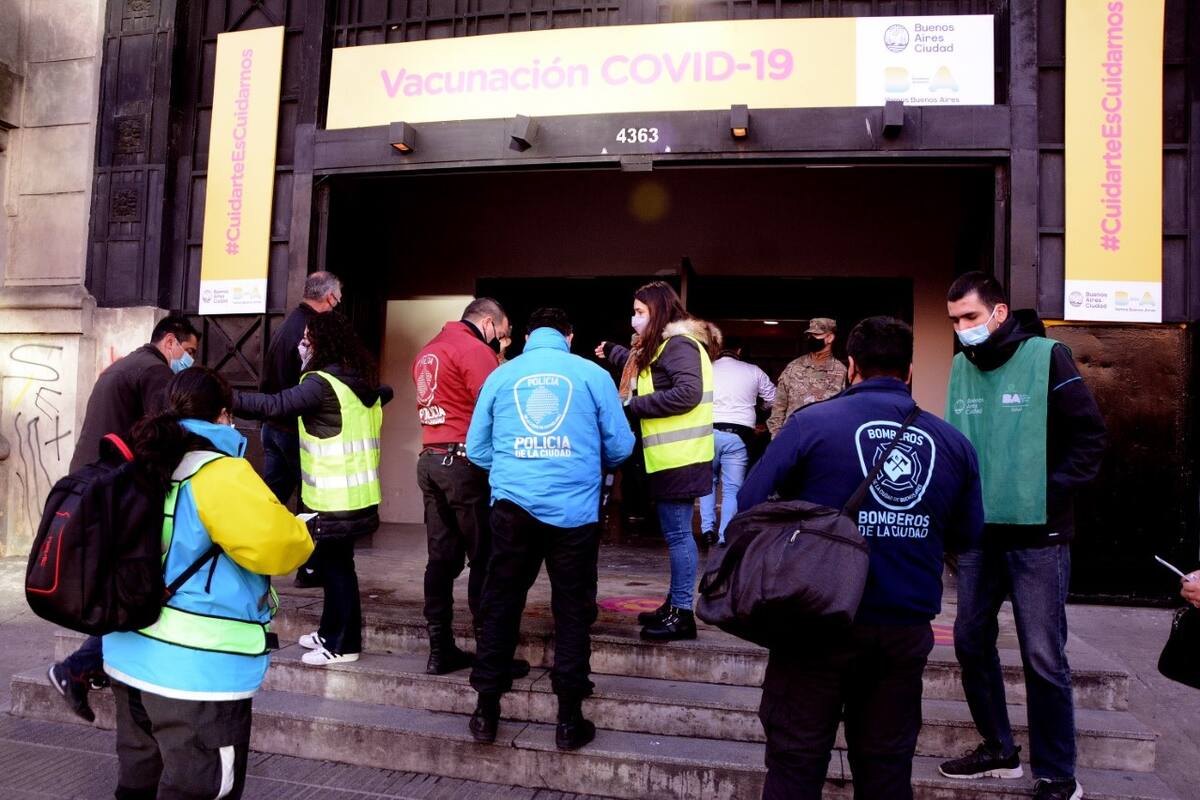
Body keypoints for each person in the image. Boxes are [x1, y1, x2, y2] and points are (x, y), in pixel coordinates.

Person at [739, 316, 984, 800]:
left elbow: (749, 503)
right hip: (902, 629)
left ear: (851, 365)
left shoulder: (811, 424)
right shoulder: (953, 443)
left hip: (814, 620)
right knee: (887, 772)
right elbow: (969, 534)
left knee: (794, 764)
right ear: (909, 370)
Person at [103, 366, 313, 800]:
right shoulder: (219, 474)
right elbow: (281, 547)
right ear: (222, 416)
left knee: (138, 782)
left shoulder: (141, 461)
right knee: (200, 788)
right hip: (197, 670)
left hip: (128, 653)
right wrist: (304, 530)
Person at [939, 271, 1105, 800]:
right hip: (978, 534)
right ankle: (999, 749)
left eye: (970, 316)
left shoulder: (1047, 357)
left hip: (1039, 535)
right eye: (955, 320)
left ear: (999, 312)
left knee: (1042, 655)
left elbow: (1090, 438)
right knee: (969, 641)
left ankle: (1058, 774)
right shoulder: (960, 367)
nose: (962, 329)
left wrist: (1045, 492)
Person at [466, 308, 634, 751]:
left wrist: (516, 468)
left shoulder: (503, 376)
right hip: (575, 513)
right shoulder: (592, 375)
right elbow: (619, 446)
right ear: (569, 335)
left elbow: (478, 449)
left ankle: (485, 711)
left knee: (500, 602)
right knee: (574, 611)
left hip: (512, 509)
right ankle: (568, 719)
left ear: (526, 335)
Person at [47, 314, 201, 723]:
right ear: (169, 342)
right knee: (136, 588)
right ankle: (78, 668)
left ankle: (92, 667)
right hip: (119, 495)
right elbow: (166, 432)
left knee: (122, 585)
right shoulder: (153, 372)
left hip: (96, 487)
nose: (188, 361)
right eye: (188, 352)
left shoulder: (126, 365)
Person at [234, 312, 389, 666]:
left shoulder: (321, 384)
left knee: (337, 571)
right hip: (357, 497)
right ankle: (329, 629)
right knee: (337, 566)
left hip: (335, 499)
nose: (302, 344)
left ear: (322, 343)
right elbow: (386, 394)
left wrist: (225, 397)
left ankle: (343, 644)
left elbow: (275, 405)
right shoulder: (358, 382)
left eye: (307, 337)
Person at [412, 298, 529, 675]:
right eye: (503, 333)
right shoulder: (473, 350)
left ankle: (440, 649)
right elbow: (494, 407)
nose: (501, 341)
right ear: (489, 323)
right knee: (486, 558)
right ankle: (491, 658)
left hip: (430, 460)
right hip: (464, 464)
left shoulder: (429, 351)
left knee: (441, 560)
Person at [598, 281, 715, 642]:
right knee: (674, 534)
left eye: (640, 312)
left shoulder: (680, 345)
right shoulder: (666, 346)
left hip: (681, 458)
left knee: (680, 536)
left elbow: (687, 392)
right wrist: (614, 352)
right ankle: (673, 605)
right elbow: (647, 370)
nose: (634, 319)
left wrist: (631, 406)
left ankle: (682, 613)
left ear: (659, 312)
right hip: (672, 458)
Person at [260, 271, 342, 587]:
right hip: (295, 429)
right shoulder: (312, 330)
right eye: (338, 300)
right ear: (329, 298)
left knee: (270, 499)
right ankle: (309, 566)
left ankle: (256, 557)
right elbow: (312, 385)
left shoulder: (288, 324)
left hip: (274, 426)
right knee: (312, 499)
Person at [699, 335, 775, 547]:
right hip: (739, 435)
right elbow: (773, 398)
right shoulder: (753, 371)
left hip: (707, 432)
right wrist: (759, 409)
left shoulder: (706, 368)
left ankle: (707, 530)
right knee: (732, 488)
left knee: (707, 484)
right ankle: (725, 535)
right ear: (739, 350)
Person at [766, 317, 846, 437]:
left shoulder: (840, 371)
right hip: (793, 437)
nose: (811, 338)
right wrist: (778, 437)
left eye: (817, 335)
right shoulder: (793, 367)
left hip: (824, 439)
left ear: (830, 337)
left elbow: (844, 411)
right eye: (810, 335)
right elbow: (779, 406)